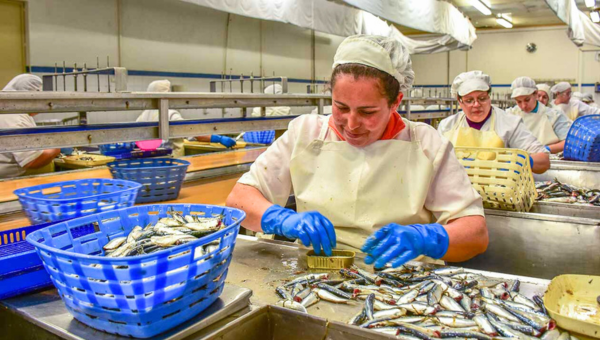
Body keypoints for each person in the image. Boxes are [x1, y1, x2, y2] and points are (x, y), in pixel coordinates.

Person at [227, 35, 488, 269]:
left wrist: (426, 239)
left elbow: (475, 234)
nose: (351, 124)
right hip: (317, 274)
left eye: (367, 112)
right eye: (341, 107)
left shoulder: (426, 144)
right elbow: (239, 199)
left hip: (405, 282)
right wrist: (280, 218)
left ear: (396, 101)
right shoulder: (305, 132)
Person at [438, 71, 550, 174]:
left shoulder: (509, 123)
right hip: (457, 191)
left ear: (489, 96)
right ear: (459, 101)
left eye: (482, 98)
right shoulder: (447, 127)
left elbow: (544, 160)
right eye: (469, 100)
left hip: (499, 191)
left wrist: (522, 161)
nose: (476, 104)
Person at [136, 80, 235, 156]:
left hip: (150, 159)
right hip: (171, 159)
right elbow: (192, 132)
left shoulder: (143, 115)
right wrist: (218, 138)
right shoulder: (169, 114)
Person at [0, 74, 60, 178]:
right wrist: (56, 148)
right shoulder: (15, 117)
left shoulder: (10, 111)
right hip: (14, 181)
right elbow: (31, 161)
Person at [506, 77, 571, 154]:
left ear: (536, 94)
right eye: (519, 101)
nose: (523, 106)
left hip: (547, 161)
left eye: (527, 100)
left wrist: (545, 149)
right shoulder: (510, 114)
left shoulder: (553, 115)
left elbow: (568, 142)